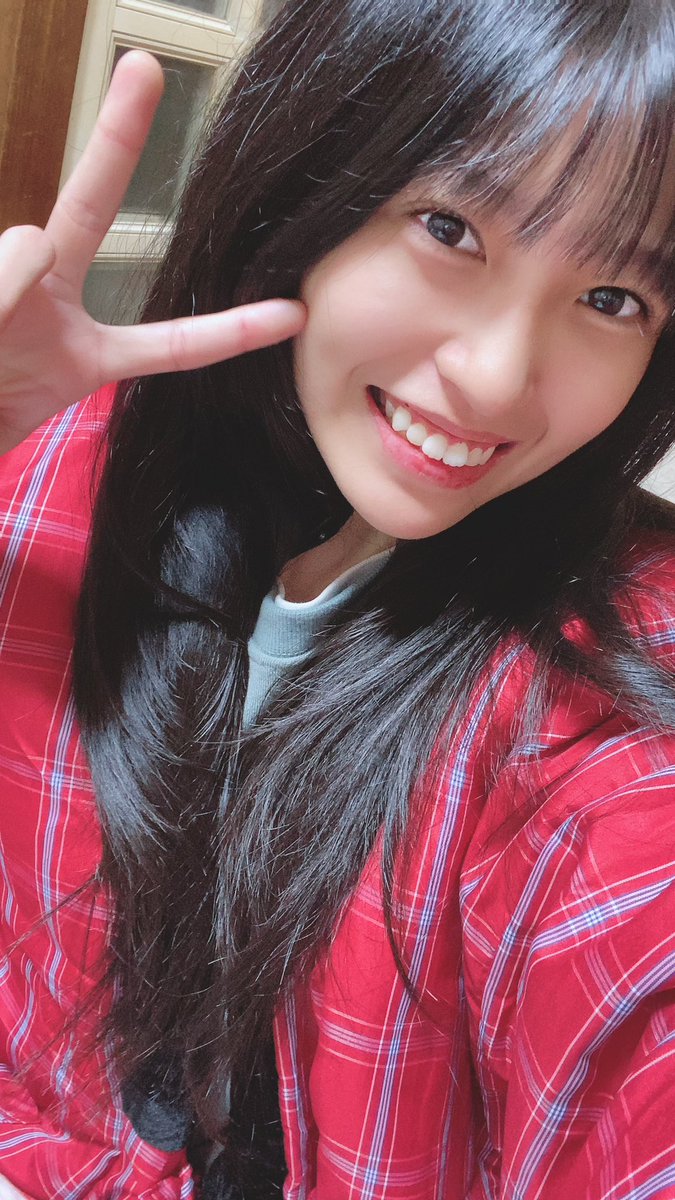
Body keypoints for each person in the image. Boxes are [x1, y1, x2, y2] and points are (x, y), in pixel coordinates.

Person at [0, 0, 674, 1196]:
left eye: (614, 297)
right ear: (305, 179)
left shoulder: (600, 700)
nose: (495, 379)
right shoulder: (63, 474)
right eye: (450, 227)